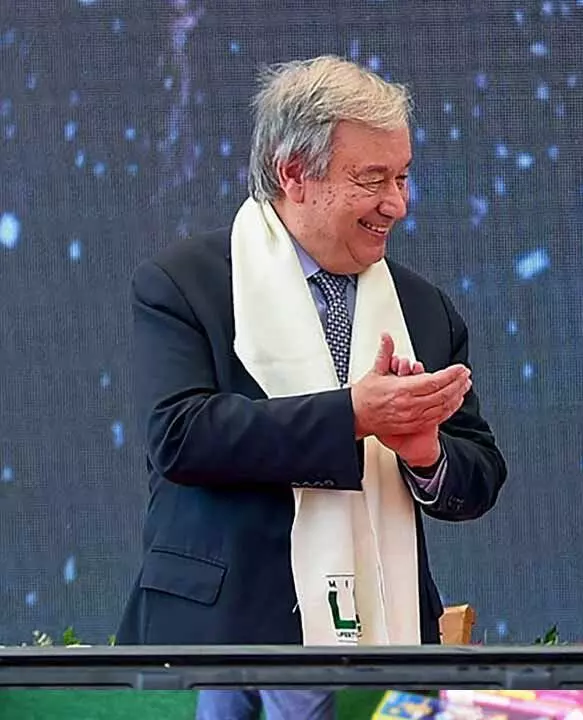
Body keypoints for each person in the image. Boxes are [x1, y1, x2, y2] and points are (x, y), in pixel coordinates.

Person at [115, 55, 507, 719]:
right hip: (220, 647)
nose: (397, 203)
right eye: (372, 179)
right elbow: (180, 436)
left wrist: (423, 455)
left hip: (387, 647)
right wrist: (351, 416)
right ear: (293, 173)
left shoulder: (424, 309)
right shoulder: (187, 283)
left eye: (404, 177)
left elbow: (480, 475)